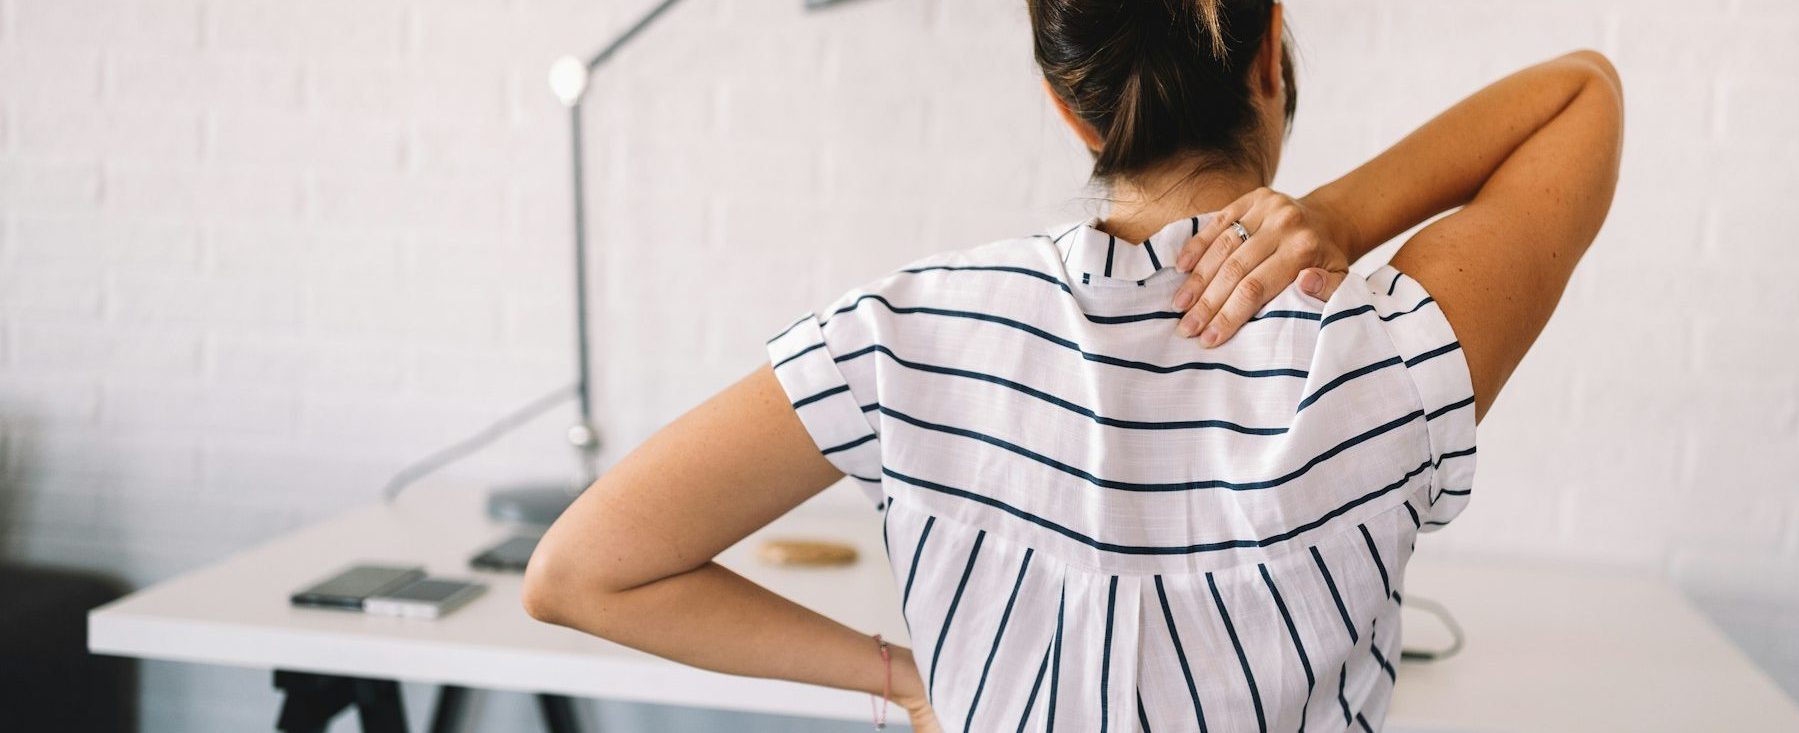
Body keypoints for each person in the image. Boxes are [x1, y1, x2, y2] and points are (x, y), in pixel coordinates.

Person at [521, 0, 1623, 730]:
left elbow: (580, 571)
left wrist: (906, 679)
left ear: (1065, 102)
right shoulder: (1379, 354)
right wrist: (1337, 215)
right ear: (1270, 53)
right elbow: (1580, 90)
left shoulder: (908, 333)